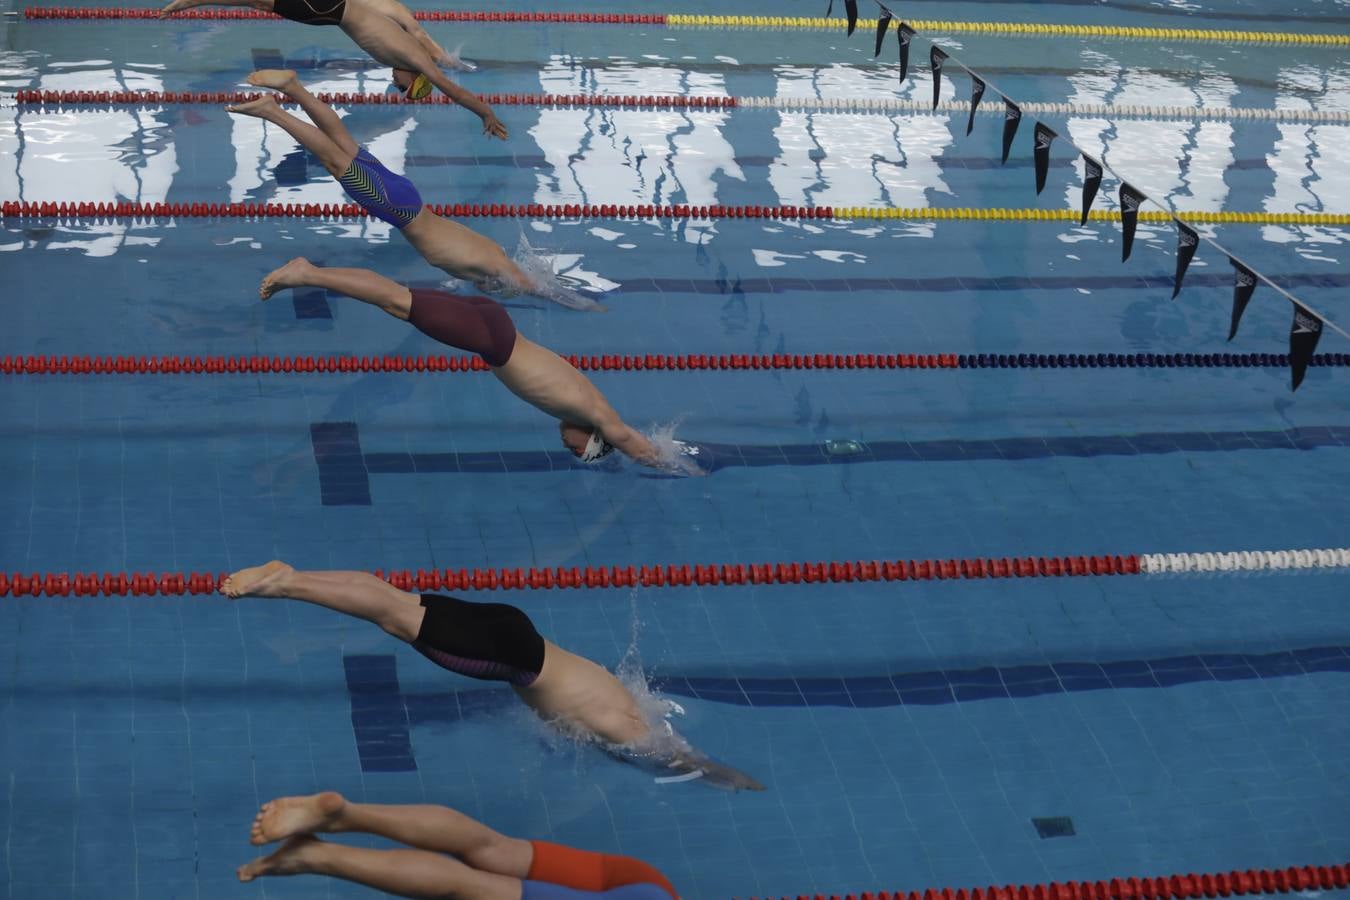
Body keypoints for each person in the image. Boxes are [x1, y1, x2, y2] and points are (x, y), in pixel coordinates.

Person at [221, 561, 763, 792]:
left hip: (518, 629)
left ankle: (293, 575)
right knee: (393, 615)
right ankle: (285, 584)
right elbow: (684, 761)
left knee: (396, 603)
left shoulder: (627, 699)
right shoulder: (626, 730)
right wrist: (727, 777)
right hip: (514, 657)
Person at [227, 70, 599, 310]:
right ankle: (273, 111)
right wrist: (582, 305)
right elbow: (537, 288)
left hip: (407, 197)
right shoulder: (499, 267)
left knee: (342, 142)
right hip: (398, 210)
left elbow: (493, 281)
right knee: (333, 159)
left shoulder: (492, 254)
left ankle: (294, 87)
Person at [260, 257, 668, 465]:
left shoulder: (585, 401)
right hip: (495, 340)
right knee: (396, 302)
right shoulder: (597, 414)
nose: (568, 447)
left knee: (398, 300)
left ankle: (313, 273)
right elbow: (629, 439)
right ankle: (309, 273)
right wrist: (665, 463)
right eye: (578, 451)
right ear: (594, 440)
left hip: (496, 330)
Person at [237, 790, 679, 899]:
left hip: (642, 883)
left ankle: (345, 814)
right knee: (473, 888)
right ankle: (320, 855)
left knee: (492, 848)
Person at [161, 0, 506, 133]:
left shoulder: (405, 54)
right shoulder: (414, 59)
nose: (394, 82)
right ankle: (194, 0)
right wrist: (486, 114)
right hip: (329, 10)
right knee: (259, 2)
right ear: (414, 79)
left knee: (262, 3)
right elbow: (454, 89)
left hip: (330, 11)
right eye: (401, 86)